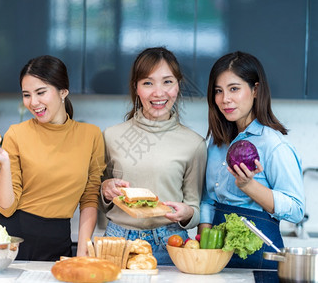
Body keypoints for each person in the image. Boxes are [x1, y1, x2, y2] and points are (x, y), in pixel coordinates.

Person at [0, 55, 105, 261]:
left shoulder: (91, 135)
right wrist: (4, 163)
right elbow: (6, 207)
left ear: (63, 91)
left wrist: (82, 252)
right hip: (14, 239)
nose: (33, 103)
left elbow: (89, 198)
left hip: (60, 239)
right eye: (27, 95)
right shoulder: (16, 134)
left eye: (41, 92)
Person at [99, 47, 207, 265]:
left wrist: (186, 213)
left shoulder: (194, 144)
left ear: (178, 86)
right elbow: (100, 199)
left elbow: (195, 208)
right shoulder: (111, 136)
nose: (159, 93)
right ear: (136, 88)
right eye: (148, 83)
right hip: (117, 242)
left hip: (170, 244)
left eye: (167, 82)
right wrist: (105, 189)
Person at [199, 51, 305, 269]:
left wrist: (249, 186)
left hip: (259, 254)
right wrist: (203, 248)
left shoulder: (274, 145)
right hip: (216, 253)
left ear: (255, 90)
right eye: (218, 91)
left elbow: (296, 210)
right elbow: (209, 200)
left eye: (234, 89)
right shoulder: (217, 142)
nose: (224, 99)